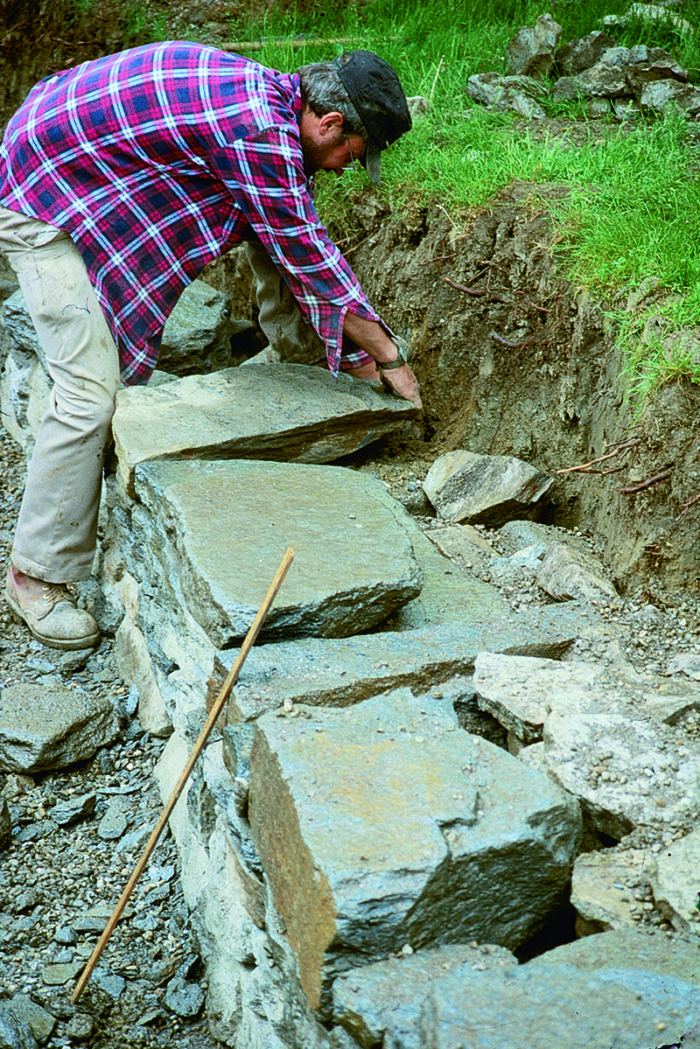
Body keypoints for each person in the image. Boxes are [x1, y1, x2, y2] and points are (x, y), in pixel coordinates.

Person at [0, 42, 422, 650]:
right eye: (349, 154)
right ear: (328, 122)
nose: (342, 168)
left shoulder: (274, 103)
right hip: (38, 189)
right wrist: (388, 356)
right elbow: (308, 254)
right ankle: (35, 574)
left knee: (273, 212)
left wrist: (345, 353)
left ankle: (297, 356)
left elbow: (281, 224)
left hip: (73, 148)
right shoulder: (256, 131)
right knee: (89, 395)